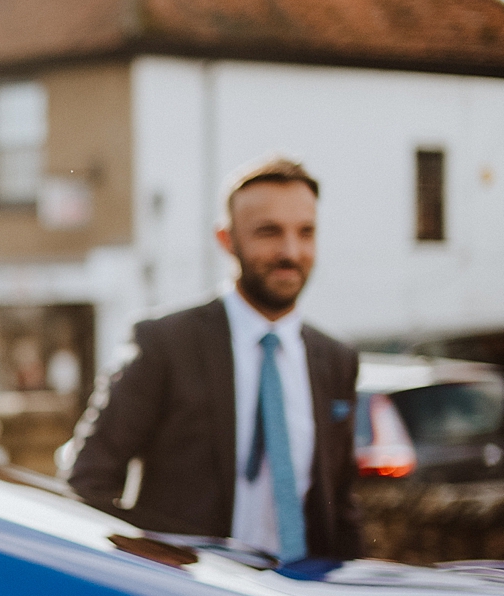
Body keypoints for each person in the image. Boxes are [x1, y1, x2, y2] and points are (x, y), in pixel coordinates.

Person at [67, 158, 360, 561]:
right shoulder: (164, 344)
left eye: (306, 232)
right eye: (268, 232)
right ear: (227, 240)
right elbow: (88, 482)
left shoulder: (336, 360)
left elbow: (340, 506)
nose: (291, 251)